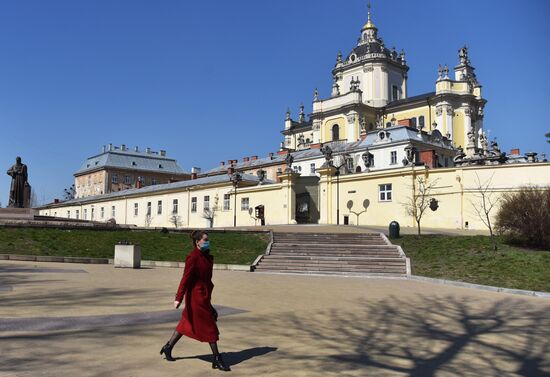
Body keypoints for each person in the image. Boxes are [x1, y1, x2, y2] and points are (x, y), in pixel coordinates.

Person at [160, 230, 230, 371]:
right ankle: (217, 358)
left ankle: (168, 347)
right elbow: (185, 278)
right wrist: (178, 298)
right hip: (196, 297)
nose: (207, 242)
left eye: (207, 240)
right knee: (210, 326)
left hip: (204, 295)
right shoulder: (193, 257)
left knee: (186, 323)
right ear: (197, 242)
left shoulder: (206, 257)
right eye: (205, 240)